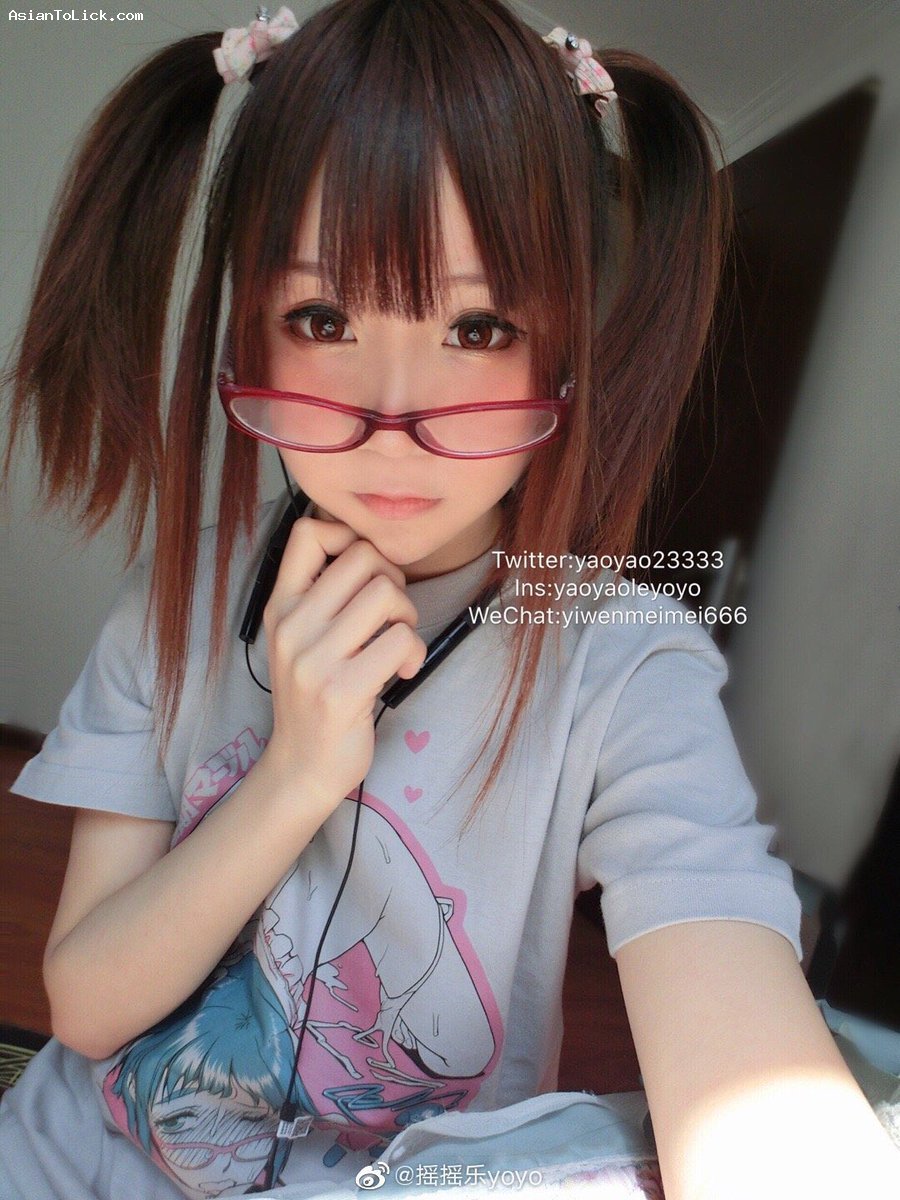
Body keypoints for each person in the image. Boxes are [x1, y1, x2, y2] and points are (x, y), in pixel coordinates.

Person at [1, 2, 898, 1197]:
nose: (395, 416)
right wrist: (296, 774)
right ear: (248, 332)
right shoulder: (174, 603)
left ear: (562, 346)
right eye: (323, 318)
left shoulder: (623, 670)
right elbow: (86, 1006)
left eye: (477, 327)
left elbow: (761, 1110)